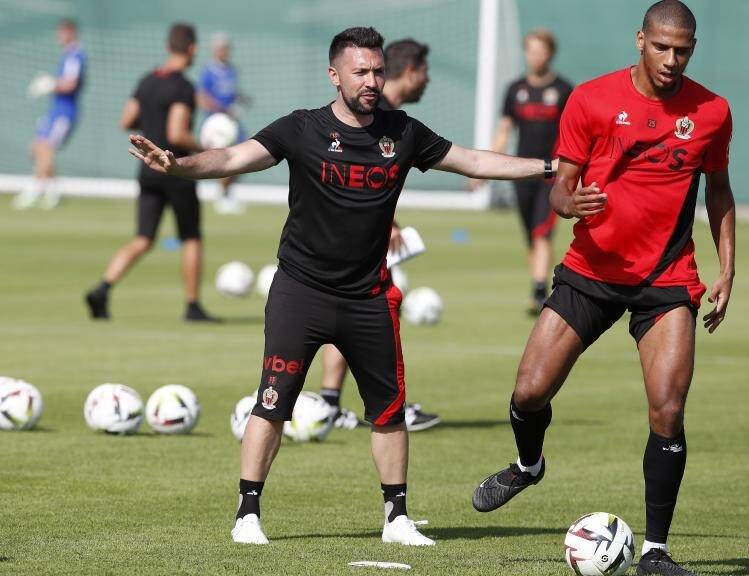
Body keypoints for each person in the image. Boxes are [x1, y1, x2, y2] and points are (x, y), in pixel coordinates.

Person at [127, 26, 555, 547]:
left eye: (378, 71)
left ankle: (397, 519)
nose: (373, 80)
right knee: (272, 401)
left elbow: (476, 160)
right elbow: (232, 158)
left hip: (367, 297)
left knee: (389, 410)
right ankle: (247, 514)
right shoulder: (300, 128)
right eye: (362, 72)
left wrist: (549, 168)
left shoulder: (404, 132)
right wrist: (178, 164)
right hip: (299, 291)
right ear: (335, 75)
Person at [472, 1, 734, 576]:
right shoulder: (590, 99)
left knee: (667, 409)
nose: (671, 59)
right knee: (528, 393)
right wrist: (573, 204)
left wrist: (727, 267)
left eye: (682, 50)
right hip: (590, 271)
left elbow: (718, 192)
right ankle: (528, 463)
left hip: (666, 278)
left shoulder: (712, 111)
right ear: (640, 39)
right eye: (662, 46)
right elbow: (561, 189)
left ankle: (657, 551)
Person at [318, 38, 441, 433]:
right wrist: (387, 223)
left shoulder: (387, 113)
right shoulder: (377, 114)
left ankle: (331, 401)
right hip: (350, 242)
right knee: (362, 313)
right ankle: (360, 402)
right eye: (424, 71)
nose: (427, 80)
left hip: (364, 239)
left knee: (353, 314)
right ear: (411, 71)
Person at [84, 23, 216, 322]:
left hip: (147, 169)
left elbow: (127, 119)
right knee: (191, 237)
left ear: (168, 47)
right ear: (192, 49)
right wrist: (206, 147)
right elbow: (177, 133)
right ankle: (192, 305)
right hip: (174, 167)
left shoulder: (146, 81)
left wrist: (150, 126)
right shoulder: (182, 86)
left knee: (144, 238)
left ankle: (103, 288)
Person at [474, 29, 572, 315]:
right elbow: (505, 129)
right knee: (531, 234)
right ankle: (538, 284)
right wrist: (485, 168)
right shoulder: (515, 89)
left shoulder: (564, 90)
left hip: (552, 174)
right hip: (521, 173)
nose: (535, 56)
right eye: (531, 50)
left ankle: (540, 290)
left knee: (542, 232)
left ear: (550, 54)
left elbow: (575, 131)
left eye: (541, 50)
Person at [13, 19, 86, 211]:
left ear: (71, 32)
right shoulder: (68, 55)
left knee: (45, 148)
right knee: (37, 148)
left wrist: (50, 84)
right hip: (55, 110)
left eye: (61, 32)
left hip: (65, 112)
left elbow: (71, 83)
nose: (59, 36)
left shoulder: (75, 55)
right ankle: (54, 191)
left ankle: (35, 189)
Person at [197, 32, 249, 214]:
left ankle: (229, 193)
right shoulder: (208, 71)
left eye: (226, 48)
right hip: (217, 123)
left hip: (232, 120)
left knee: (244, 154)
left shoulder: (232, 70)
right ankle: (222, 196)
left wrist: (240, 98)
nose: (224, 52)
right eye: (220, 48)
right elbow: (202, 97)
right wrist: (220, 109)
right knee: (224, 158)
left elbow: (231, 93)